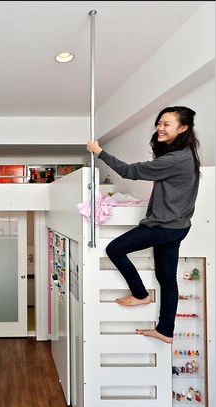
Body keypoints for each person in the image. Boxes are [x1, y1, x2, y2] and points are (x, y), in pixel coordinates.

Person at [86, 106, 200, 344]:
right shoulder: (187, 154)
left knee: (114, 249)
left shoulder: (176, 159)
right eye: (159, 123)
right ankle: (166, 331)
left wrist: (99, 152)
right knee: (167, 280)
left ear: (183, 128)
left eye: (166, 124)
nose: (160, 127)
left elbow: (130, 171)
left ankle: (140, 295)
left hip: (163, 226)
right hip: (179, 226)